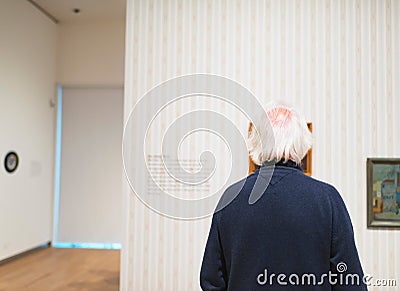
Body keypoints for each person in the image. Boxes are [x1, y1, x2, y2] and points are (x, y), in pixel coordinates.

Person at [200, 101, 367, 290]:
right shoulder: (327, 199)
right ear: (302, 144)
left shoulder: (231, 199)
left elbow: (212, 280)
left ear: (256, 143)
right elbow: (350, 281)